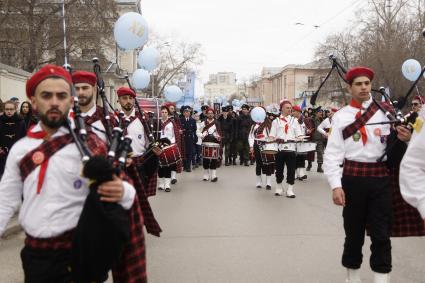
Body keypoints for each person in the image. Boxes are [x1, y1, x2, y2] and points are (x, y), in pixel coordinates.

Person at [0, 64, 147, 282]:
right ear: (33, 101)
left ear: (70, 101)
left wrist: (123, 192)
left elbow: (125, 192)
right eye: (46, 95)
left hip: (82, 254)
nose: (54, 102)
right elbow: (6, 200)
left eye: (61, 95)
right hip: (35, 256)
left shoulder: (89, 144)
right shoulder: (20, 150)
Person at [323, 66, 411, 283]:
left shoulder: (386, 112)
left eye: (366, 83)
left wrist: (404, 138)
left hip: (381, 180)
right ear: (350, 87)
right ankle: (352, 277)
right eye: (358, 84)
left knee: (381, 234)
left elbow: (395, 152)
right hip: (352, 180)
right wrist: (336, 186)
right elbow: (332, 155)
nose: (363, 87)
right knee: (353, 234)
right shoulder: (342, 117)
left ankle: (381, 278)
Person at [116, 86, 160, 197]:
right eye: (124, 98)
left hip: (139, 165)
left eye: (131, 98)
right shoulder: (114, 119)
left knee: (140, 202)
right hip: (119, 165)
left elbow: (148, 145)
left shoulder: (142, 119)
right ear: (119, 100)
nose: (128, 101)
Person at [269, 100, 301, 198]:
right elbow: (272, 135)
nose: (289, 110)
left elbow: (299, 134)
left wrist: (299, 138)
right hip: (280, 149)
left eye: (290, 108)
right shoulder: (276, 121)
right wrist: (271, 139)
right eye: (287, 108)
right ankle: (279, 187)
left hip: (291, 149)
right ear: (282, 108)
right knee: (279, 170)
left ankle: (290, 189)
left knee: (291, 170)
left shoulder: (294, 121)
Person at [72, 70, 109, 142]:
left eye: (85, 88)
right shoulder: (67, 117)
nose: (80, 92)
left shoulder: (107, 118)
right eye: (76, 89)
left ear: (94, 89)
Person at [249, 108, 274, 189]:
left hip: (266, 145)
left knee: (268, 163)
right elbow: (251, 137)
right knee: (258, 163)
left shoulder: (268, 124)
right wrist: (251, 146)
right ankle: (258, 181)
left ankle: (268, 182)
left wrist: (266, 138)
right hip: (257, 146)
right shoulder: (253, 126)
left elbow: (271, 135)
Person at [0, 100, 26, 175]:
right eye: (7, 109)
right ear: (4, 109)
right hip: (2, 153)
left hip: (16, 153)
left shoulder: (21, 121)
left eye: (11, 109)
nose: (9, 111)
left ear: (15, 109)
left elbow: (24, 138)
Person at [158, 105, 180, 192]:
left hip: (168, 146)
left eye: (165, 112)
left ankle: (167, 185)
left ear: (168, 113)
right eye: (162, 112)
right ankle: (161, 183)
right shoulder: (157, 122)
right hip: (159, 147)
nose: (164, 114)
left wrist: (170, 143)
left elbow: (175, 134)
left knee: (167, 166)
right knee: (160, 166)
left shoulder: (171, 123)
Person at [197, 108, 221, 182]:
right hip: (206, 142)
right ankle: (206, 174)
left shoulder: (217, 123)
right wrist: (202, 135)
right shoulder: (203, 123)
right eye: (209, 113)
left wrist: (217, 136)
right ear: (206, 114)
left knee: (214, 159)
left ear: (213, 114)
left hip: (214, 143)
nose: (210, 114)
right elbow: (198, 132)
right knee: (205, 159)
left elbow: (219, 133)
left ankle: (213, 175)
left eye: (212, 113)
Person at [292, 105, 308, 180]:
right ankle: (294, 173)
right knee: (294, 158)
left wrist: (307, 132)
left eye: (294, 111)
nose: (293, 113)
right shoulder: (292, 120)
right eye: (293, 111)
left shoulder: (302, 121)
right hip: (294, 142)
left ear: (298, 112)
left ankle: (301, 173)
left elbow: (304, 130)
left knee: (302, 157)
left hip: (302, 141)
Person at [180, 105, 197, 172]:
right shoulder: (180, 120)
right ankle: (184, 165)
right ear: (183, 113)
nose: (187, 113)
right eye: (185, 112)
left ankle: (188, 166)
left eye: (188, 112)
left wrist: (195, 138)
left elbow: (194, 130)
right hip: (183, 138)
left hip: (190, 138)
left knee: (190, 152)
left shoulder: (193, 120)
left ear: (190, 112)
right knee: (184, 152)